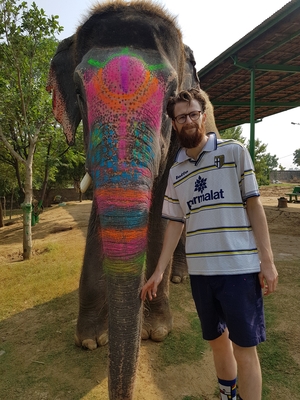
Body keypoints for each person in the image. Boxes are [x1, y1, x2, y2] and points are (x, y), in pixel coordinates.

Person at [141, 88, 278, 400]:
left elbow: (254, 206)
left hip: (239, 272)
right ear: (173, 124)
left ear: (203, 116)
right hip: (202, 274)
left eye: (193, 114)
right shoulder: (176, 171)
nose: (188, 121)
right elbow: (175, 223)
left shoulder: (234, 152)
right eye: (180, 117)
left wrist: (267, 262)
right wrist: (159, 271)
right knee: (217, 340)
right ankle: (228, 394)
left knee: (244, 348)